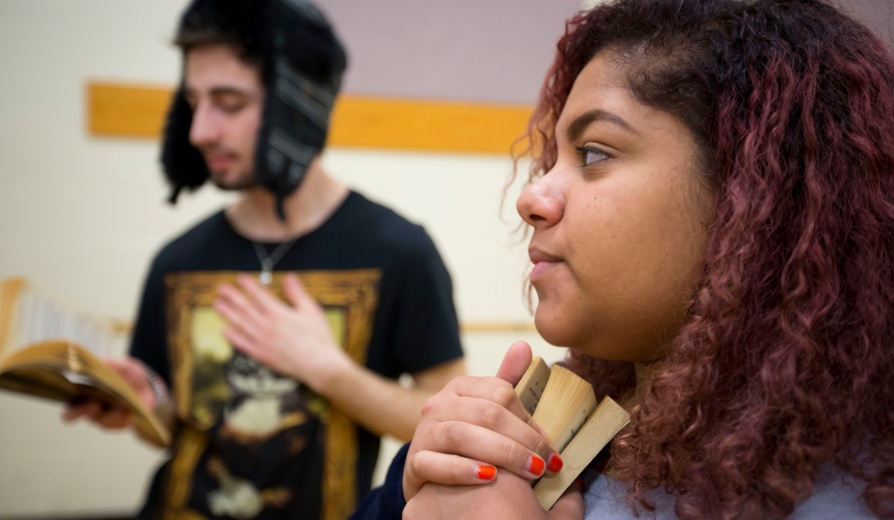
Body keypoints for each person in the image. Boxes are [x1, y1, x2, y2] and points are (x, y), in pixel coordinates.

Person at [351, 0, 894, 518]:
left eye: (593, 154)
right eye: (553, 157)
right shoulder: (536, 440)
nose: (531, 198)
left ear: (753, 196)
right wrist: (411, 487)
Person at [62, 0, 465, 518]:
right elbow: (167, 430)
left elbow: (444, 421)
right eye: (193, 102)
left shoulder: (399, 251)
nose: (200, 130)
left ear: (296, 106)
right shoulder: (178, 259)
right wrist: (144, 406)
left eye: (227, 103)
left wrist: (327, 370)